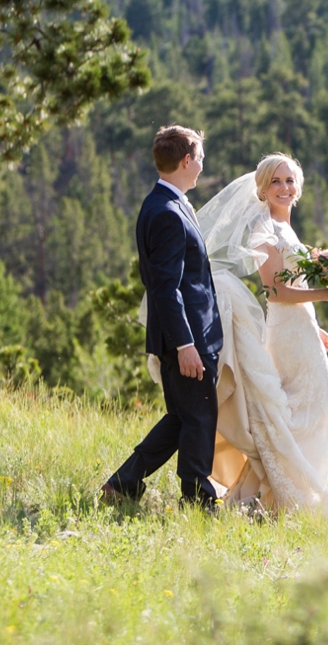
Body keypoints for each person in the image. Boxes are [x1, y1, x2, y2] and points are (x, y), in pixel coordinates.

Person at [194, 153, 328, 515]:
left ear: (298, 188)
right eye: (275, 182)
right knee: (297, 412)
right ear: (263, 189)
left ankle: (314, 493)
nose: (284, 188)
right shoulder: (263, 230)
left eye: (289, 181)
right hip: (285, 332)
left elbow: (293, 285)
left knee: (316, 408)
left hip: (301, 328)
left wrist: (315, 323)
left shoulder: (286, 228)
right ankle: (293, 496)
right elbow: (277, 292)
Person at [102, 125, 224, 508]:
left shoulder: (163, 202)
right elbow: (165, 287)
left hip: (181, 333)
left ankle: (123, 484)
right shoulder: (168, 212)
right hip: (185, 338)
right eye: (200, 159)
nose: (202, 166)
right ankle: (197, 504)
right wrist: (186, 344)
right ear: (186, 160)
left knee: (182, 418)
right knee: (200, 419)